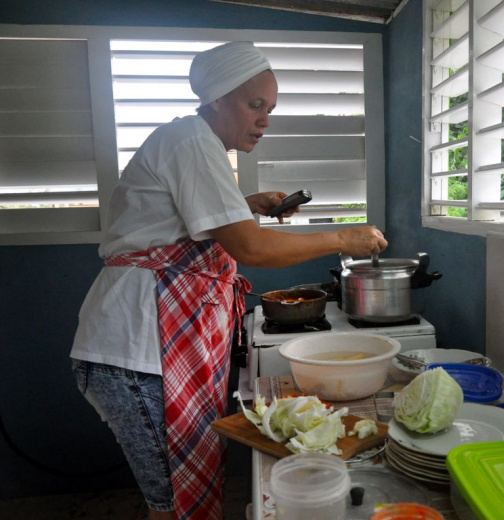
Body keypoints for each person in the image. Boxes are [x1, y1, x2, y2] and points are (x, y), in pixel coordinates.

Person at [70, 41, 387, 520]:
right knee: (174, 503)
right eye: (254, 105)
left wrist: (248, 204)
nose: (264, 119)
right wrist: (342, 237)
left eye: (270, 108)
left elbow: (176, 220)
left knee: (175, 496)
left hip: (151, 349)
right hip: (135, 350)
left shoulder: (195, 143)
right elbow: (252, 248)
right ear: (216, 98)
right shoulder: (191, 140)